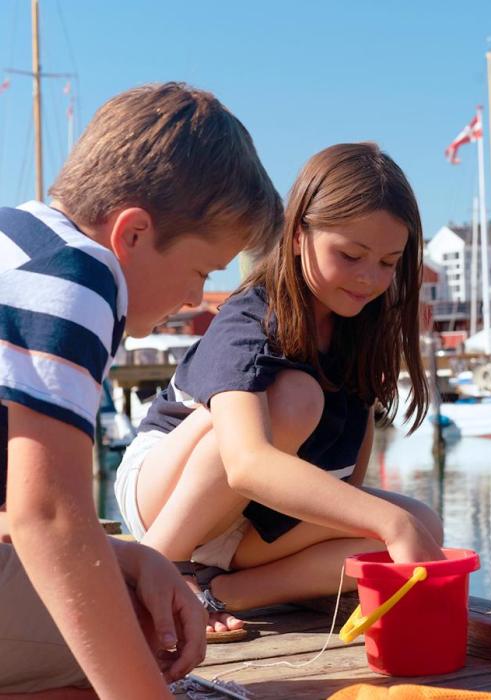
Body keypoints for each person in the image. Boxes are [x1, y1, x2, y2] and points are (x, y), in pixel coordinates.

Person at [0, 82, 283, 696]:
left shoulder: (16, 239)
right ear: (131, 234)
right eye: (200, 271)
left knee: (115, 583)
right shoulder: (77, 278)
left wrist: (134, 555)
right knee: (132, 625)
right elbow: (47, 514)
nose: (192, 297)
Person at [114, 142, 445, 636]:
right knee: (295, 399)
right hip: (168, 495)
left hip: (252, 519)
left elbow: (346, 482)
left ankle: (220, 592)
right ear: (296, 236)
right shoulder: (250, 318)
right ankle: (161, 567)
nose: (369, 278)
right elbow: (245, 463)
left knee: (424, 524)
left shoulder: (360, 328)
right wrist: (389, 523)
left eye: (387, 262)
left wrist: (397, 526)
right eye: (350, 255)